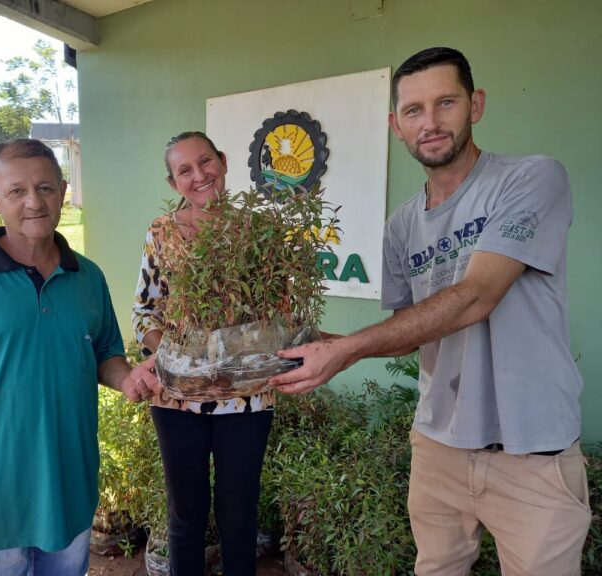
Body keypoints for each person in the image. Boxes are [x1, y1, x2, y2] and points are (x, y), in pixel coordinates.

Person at [270, 47, 591, 575]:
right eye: (414, 110)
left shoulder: (531, 179)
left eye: (446, 102)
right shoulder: (401, 226)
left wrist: (347, 350)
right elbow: (408, 331)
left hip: (533, 452)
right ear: (396, 125)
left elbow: (477, 295)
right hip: (438, 447)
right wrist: (324, 343)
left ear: (476, 105)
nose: (431, 122)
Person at [0, 138, 161, 576]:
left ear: (63, 192)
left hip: (68, 492)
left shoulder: (87, 276)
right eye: (16, 190)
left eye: (45, 188)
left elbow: (104, 352)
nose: (33, 202)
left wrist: (127, 379)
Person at [132, 131, 274, 576]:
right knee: (185, 515)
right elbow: (145, 311)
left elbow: (278, 312)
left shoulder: (258, 232)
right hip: (177, 398)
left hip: (245, 395)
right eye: (184, 170)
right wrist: (175, 355)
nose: (199, 176)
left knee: (239, 515)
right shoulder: (161, 234)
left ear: (224, 162)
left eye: (205, 162)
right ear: (174, 183)